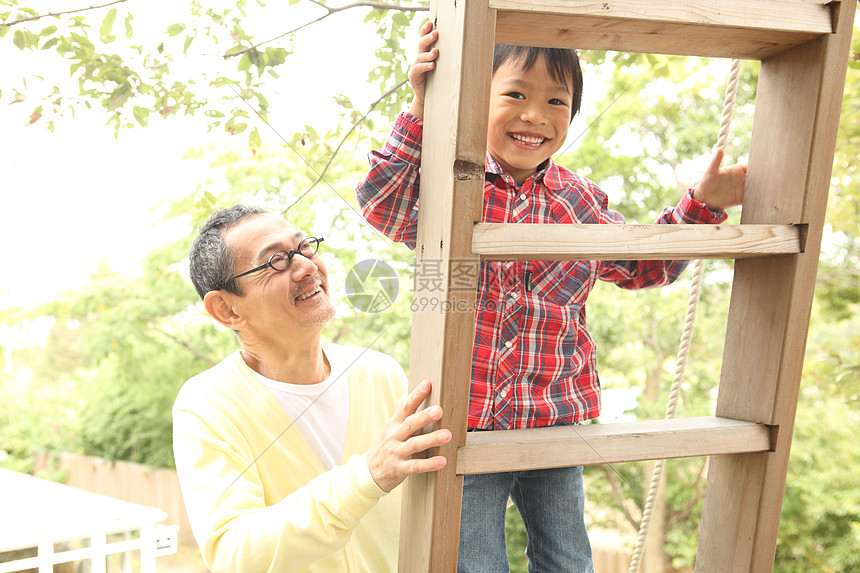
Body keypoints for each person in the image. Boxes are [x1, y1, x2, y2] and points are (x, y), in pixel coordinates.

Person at [356, 22, 746, 573]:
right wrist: (421, 105)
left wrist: (702, 205)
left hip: (555, 417)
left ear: (571, 114)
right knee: (474, 562)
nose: (535, 115)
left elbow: (643, 265)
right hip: (466, 419)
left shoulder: (580, 199)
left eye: (555, 100)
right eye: (515, 93)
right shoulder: (448, 181)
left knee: (568, 561)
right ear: (473, 98)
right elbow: (382, 204)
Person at [172, 204, 452, 573]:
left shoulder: (380, 372)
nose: (307, 267)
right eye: (275, 261)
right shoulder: (208, 406)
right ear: (227, 309)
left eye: (304, 247)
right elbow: (233, 552)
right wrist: (367, 476)